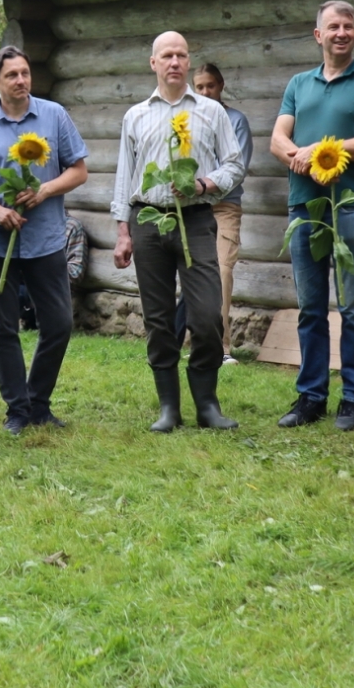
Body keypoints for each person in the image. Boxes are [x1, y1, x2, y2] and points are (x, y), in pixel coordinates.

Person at [111, 32, 246, 433]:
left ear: (188, 62)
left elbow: (235, 164)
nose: (174, 61)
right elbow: (124, 176)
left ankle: (207, 403)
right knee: (158, 319)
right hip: (148, 221)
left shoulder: (211, 111)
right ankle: (169, 407)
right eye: (166, 55)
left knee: (206, 316)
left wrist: (204, 184)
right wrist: (123, 231)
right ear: (153, 63)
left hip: (197, 219)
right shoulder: (135, 115)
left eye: (181, 55)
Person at [270, 1, 354, 432]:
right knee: (310, 306)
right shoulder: (298, 84)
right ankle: (311, 397)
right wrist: (296, 154)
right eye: (332, 27)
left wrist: (324, 150)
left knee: (353, 304)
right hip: (305, 206)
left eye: (348, 27)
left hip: (349, 204)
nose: (340, 33)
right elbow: (277, 139)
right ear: (317, 35)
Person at [0, 46, 89, 434]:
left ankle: (39, 402)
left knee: (58, 323)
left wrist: (45, 190)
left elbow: (78, 170)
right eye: (12, 75)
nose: (21, 80)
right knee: (4, 327)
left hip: (46, 239)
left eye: (25, 73)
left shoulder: (54, 116)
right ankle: (17, 410)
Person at [173, 62, 254, 365]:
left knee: (222, 271)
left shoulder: (235, 121)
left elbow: (237, 168)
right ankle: (190, 342)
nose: (206, 91)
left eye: (211, 86)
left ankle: (221, 348)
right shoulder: (186, 120)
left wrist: (203, 185)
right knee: (191, 274)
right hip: (191, 208)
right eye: (200, 87)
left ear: (221, 86)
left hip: (223, 206)